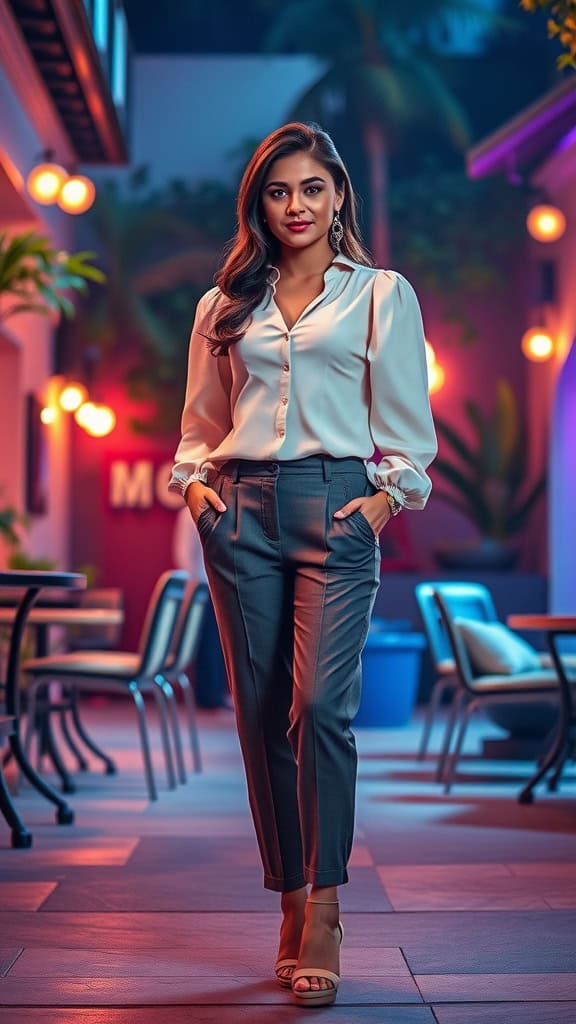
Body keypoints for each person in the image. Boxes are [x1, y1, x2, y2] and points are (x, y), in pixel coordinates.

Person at [169, 122, 437, 1007]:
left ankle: (323, 905)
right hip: (238, 509)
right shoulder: (224, 305)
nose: (296, 206)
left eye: (312, 189)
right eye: (280, 191)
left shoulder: (380, 296)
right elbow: (200, 427)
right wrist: (198, 492)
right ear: (261, 202)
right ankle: (287, 899)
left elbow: (405, 430)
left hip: (337, 509)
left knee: (319, 706)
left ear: (339, 198)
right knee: (258, 717)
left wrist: (383, 501)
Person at [171, 506, 231, 709]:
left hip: (220, 587)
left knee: (218, 645)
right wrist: (194, 587)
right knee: (207, 645)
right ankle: (207, 698)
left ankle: (215, 695)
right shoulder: (187, 514)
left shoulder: (221, 509)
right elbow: (184, 555)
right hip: (202, 588)